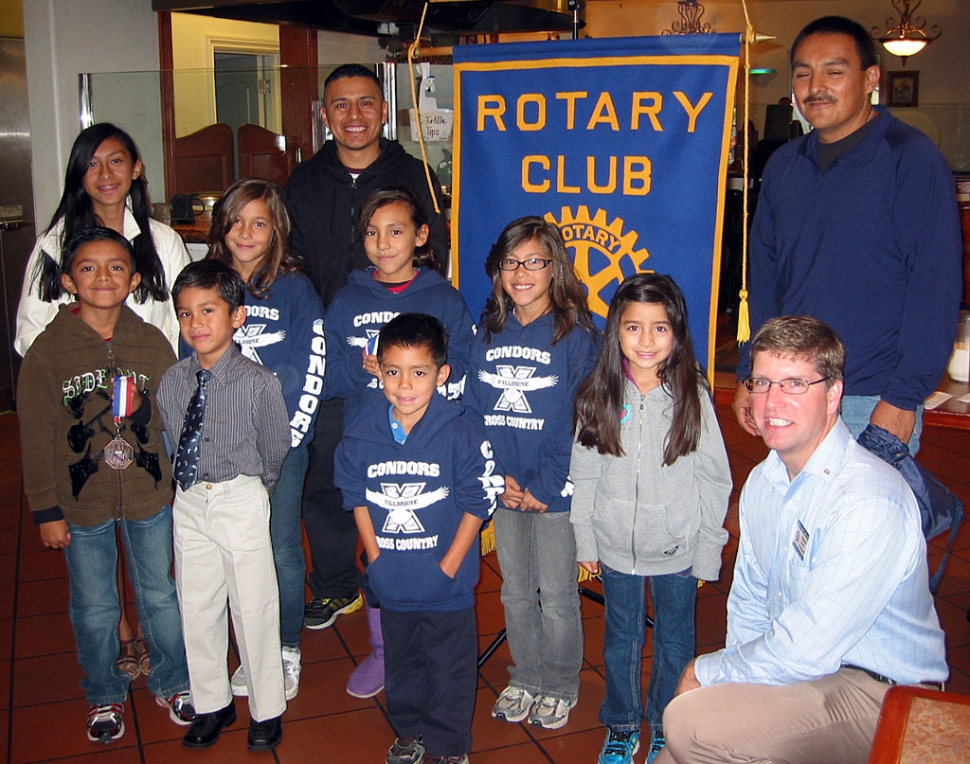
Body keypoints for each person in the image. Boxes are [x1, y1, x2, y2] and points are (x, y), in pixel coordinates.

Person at [656, 315, 948, 764]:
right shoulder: (764, 481)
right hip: (813, 673)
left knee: (691, 724)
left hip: (883, 692)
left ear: (833, 395)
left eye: (794, 384)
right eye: (761, 382)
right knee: (679, 748)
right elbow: (751, 601)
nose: (771, 402)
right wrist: (731, 683)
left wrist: (707, 672)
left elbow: (806, 648)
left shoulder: (867, 499)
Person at [732, 15, 962, 452]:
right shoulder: (784, 165)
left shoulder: (909, 160)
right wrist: (755, 375)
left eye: (834, 72)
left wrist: (902, 397)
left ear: (870, 78)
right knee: (793, 516)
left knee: (863, 520)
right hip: (791, 390)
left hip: (869, 394)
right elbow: (764, 277)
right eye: (803, 73)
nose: (816, 85)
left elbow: (935, 286)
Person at [283, 63, 448, 635]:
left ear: (384, 110)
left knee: (408, 478)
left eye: (365, 103)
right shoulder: (302, 182)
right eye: (340, 105)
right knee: (327, 478)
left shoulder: (416, 175)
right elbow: (291, 263)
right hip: (336, 359)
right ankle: (335, 586)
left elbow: (437, 265)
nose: (354, 116)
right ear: (324, 115)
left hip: (410, 371)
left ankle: (409, 581)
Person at [17, 227, 194, 744]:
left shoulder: (150, 340)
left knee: (161, 593)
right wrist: (45, 509)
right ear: (68, 280)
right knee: (95, 604)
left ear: (135, 278)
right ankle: (103, 691)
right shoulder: (49, 351)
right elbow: (35, 435)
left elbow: (174, 413)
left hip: (149, 493)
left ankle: (173, 678)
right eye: (88, 268)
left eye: (116, 266)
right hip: (82, 501)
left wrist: (171, 454)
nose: (103, 277)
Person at [571, 274, 732, 764]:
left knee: (675, 641)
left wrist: (707, 549)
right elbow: (585, 474)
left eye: (659, 328)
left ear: (677, 332)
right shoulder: (598, 393)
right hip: (615, 547)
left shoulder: (692, 395)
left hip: (677, 550)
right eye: (633, 327)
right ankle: (622, 723)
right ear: (615, 331)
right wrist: (586, 542)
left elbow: (714, 480)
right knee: (620, 639)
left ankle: (665, 721)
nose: (646, 341)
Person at [324, 186, 475, 699]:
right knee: (379, 552)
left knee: (425, 547)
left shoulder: (443, 299)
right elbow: (326, 372)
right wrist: (358, 367)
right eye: (372, 232)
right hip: (371, 447)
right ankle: (384, 651)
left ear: (421, 235)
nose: (383, 243)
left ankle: (433, 649)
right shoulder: (347, 301)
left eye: (395, 231)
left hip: (431, 452)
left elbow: (463, 372)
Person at [335, 313, 503, 764]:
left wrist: (449, 566)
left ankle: (449, 747)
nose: (404, 385)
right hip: (392, 580)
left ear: (441, 374)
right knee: (403, 664)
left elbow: (477, 502)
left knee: (450, 667)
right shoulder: (360, 435)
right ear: (379, 371)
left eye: (419, 372)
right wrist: (375, 558)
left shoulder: (462, 434)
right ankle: (409, 731)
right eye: (393, 371)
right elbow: (356, 498)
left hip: (446, 586)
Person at [462, 216, 598, 730]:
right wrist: (495, 477)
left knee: (558, 594)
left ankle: (560, 681)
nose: (522, 272)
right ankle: (527, 674)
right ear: (498, 271)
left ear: (555, 268)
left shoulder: (578, 336)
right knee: (515, 589)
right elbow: (473, 410)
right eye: (511, 262)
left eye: (535, 261)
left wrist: (546, 485)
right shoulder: (488, 331)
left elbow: (580, 416)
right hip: (507, 488)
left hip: (552, 491)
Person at [157, 260, 290, 752]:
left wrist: (256, 490)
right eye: (186, 313)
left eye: (209, 310)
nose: (197, 324)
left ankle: (265, 706)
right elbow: (174, 435)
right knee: (196, 602)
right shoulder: (172, 381)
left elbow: (275, 446)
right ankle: (212, 701)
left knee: (253, 604)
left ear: (237, 316)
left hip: (239, 494)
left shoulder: (259, 382)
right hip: (190, 498)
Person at [204, 178, 325, 702]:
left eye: (259, 222)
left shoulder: (296, 289)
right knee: (234, 550)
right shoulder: (206, 284)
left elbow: (310, 365)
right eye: (236, 222)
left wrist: (287, 439)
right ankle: (250, 644)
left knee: (279, 547)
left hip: (281, 445)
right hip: (223, 448)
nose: (246, 233)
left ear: (276, 228)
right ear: (222, 228)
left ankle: (283, 647)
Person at [16, 122, 190, 355]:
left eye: (116, 161)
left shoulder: (165, 241)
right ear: (79, 174)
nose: (105, 174)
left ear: (136, 168)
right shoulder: (53, 244)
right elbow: (30, 334)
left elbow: (185, 319)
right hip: (76, 383)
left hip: (152, 379)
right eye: (92, 164)